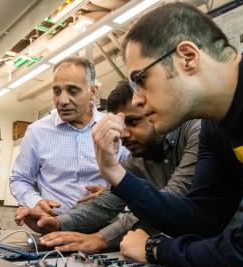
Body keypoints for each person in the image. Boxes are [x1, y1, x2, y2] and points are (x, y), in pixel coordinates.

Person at [92, 2, 243, 267]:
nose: (137, 99)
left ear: (187, 57)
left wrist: (157, 249)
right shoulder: (215, 126)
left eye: (140, 79)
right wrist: (115, 173)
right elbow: (199, 219)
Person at [14, 80, 201, 254]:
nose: (124, 134)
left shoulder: (196, 131)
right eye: (120, 125)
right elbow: (105, 204)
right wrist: (57, 222)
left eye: (133, 121)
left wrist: (101, 238)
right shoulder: (138, 156)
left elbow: (172, 199)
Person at [9, 56, 128, 215]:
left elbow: (134, 178)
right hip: (52, 229)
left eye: (73, 91)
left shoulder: (114, 128)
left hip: (106, 232)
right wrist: (36, 201)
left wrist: (112, 194)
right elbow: (19, 179)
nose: (62, 100)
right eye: (57, 91)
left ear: (93, 91)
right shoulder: (37, 132)